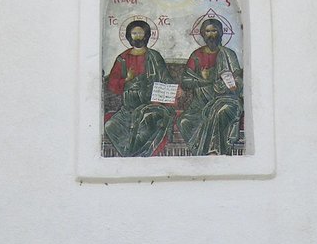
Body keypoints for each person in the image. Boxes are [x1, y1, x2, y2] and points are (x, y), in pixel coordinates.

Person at [103, 20, 175, 157]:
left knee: (142, 129)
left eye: (140, 33)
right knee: (110, 126)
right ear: (129, 36)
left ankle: (134, 157)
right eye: (134, 33)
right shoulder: (123, 59)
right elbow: (112, 85)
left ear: (146, 35)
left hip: (151, 108)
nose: (137, 36)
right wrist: (127, 80)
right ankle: (131, 157)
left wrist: (169, 92)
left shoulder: (154, 56)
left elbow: (166, 79)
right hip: (128, 110)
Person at [178, 19, 244, 156]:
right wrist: (204, 80)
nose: (211, 34)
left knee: (220, 112)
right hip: (201, 103)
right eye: (208, 31)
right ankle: (201, 154)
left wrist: (230, 84)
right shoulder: (196, 55)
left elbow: (237, 81)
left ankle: (215, 152)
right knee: (184, 121)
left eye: (214, 31)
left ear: (220, 33)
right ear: (203, 34)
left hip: (227, 100)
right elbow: (185, 80)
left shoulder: (228, 54)